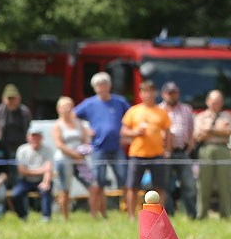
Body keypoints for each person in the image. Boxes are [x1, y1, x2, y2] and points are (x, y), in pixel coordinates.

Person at [74, 72, 130, 218]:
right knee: (98, 184)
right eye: (99, 85)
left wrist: (126, 136)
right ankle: (98, 215)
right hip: (98, 148)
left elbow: (131, 118)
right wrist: (85, 130)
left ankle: (130, 214)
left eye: (105, 84)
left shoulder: (120, 102)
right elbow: (72, 116)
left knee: (125, 180)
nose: (102, 87)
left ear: (110, 86)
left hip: (117, 148)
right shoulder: (89, 103)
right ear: (95, 88)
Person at [121, 81, 172, 220]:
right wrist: (134, 132)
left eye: (150, 91)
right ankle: (131, 216)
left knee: (159, 187)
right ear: (140, 94)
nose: (148, 94)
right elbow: (123, 131)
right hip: (137, 154)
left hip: (157, 154)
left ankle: (159, 217)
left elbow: (167, 133)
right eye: (145, 91)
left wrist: (167, 150)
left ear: (155, 93)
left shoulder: (162, 112)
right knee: (132, 187)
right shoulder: (134, 111)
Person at [52, 96, 99, 219]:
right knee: (65, 190)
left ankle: (95, 216)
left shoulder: (79, 123)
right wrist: (75, 154)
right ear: (59, 109)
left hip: (80, 161)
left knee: (93, 186)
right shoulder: (58, 125)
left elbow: (85, 140)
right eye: (64, 106)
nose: (67, 109)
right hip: (64, 160)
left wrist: (84, 150)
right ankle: (65, 218)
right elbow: (59, 144)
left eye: (69, 106)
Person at [194, 90, 231, 219]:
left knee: (225, 183)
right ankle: (201, 214)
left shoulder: (227, 116)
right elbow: (198, 136)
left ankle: (226, 215)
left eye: (218, 102)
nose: (216, 105)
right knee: (204, 184)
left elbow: (228, 132)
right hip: (206, 150)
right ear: (207, 102)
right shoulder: (200, 117)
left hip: (223, 149)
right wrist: (219, 130)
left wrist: (210, 130)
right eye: (213, 102)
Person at [159, 81, 197, 218]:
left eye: (174, 93)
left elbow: (192, 131)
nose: (172, 96)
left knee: (189, 185)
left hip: (183, 152)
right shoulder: (158, 110)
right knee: (165, 186)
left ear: (178, 94)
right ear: (163, 94)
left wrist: (188, 150)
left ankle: (192, 215)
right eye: (169, 93)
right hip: (164, 154)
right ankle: (169, 215)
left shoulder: (187, 109)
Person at [11, 127, 54, 222]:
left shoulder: (48, 150)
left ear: (41, 138)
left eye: (37, 136)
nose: (35, 139)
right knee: (15, 194)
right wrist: (41, 170)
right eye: (33, 136)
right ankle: (23, 217)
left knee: (46, 189)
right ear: (28, 137)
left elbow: (48, 169)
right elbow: (22, 171)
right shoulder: (22, 150)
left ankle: (46, 217)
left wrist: (46, 182)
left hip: (41, 180)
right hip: (25, 181)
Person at [0, 83, 32, 158]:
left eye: (14, 98)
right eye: (9, 98)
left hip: (20, 148)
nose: (11, 101)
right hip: (1, 148)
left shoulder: (25, 112)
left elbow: (29, 130)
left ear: (19, 98)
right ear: (3, 99)